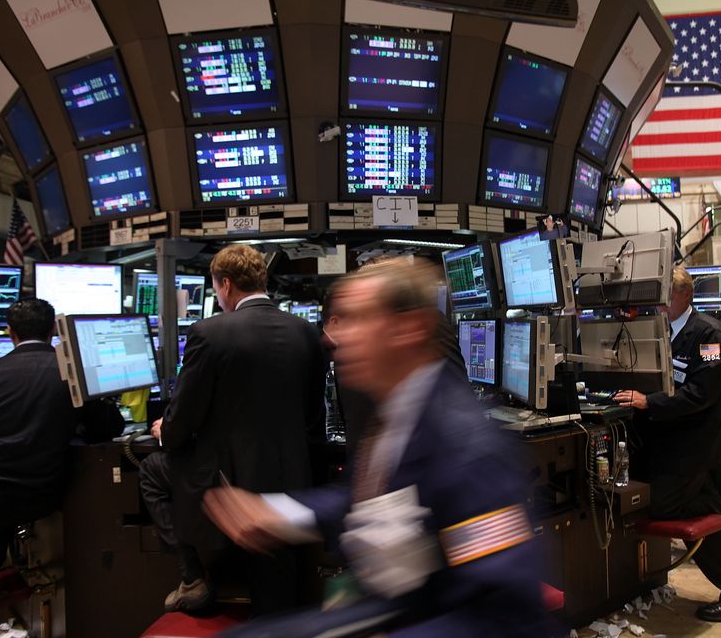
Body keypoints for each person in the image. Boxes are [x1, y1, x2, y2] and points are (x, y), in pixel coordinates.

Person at [202, 258, 551, 637]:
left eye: (355, 319)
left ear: (409, 328)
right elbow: (363, 502)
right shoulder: (398, 413)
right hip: (394, 608)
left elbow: (501, 616)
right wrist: (279, 513)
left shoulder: (468, 449)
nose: (333, 336)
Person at [138, 245, 325, 615]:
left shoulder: (209, 333)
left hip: (229, 483)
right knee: (277, 598)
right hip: (295, 477)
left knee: (151, 471)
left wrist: (164, 430)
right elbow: (310, 414)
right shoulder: (305, 331)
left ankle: (193, 576)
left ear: (224, 285)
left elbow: (182, 422)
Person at [0, 299, 123, 638]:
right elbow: (108, 427)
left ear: (10, 333)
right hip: (33, 500)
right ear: (53, 331)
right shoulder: (71, 377)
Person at [614, 267, 721, 623]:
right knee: (663, 501)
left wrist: (649, 403)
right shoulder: (661, 333)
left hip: (698, 445)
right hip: (670, 442)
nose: (662, 304)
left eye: (669, 296)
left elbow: (699, 395)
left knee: (663, 506)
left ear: (686, 296)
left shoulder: (709, 336)